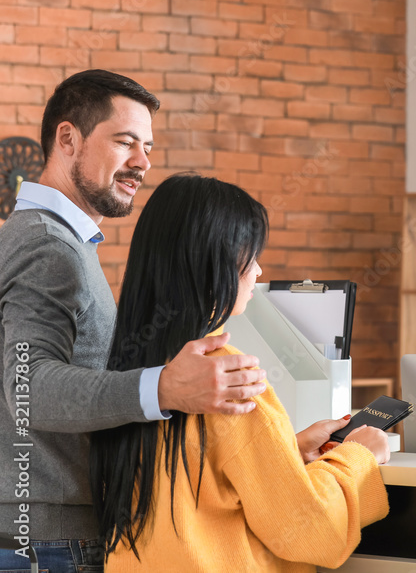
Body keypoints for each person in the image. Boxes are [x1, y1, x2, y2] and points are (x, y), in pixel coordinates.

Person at [0, 70, 267, 571]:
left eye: (147, 147)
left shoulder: (54, 241)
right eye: (126, 142)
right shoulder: (48, 247)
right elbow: (28, 389)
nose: (142, 163)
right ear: (67, 139)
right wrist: (163, 388)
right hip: (48, 545)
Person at [89, 174, 390, 571]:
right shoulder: (229, 378)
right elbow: (309, 529)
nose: (259, 270)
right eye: (249, 257)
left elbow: (201, 477)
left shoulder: (125, 369)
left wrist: (288, 449)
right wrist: (358, 456)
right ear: (214, 265)